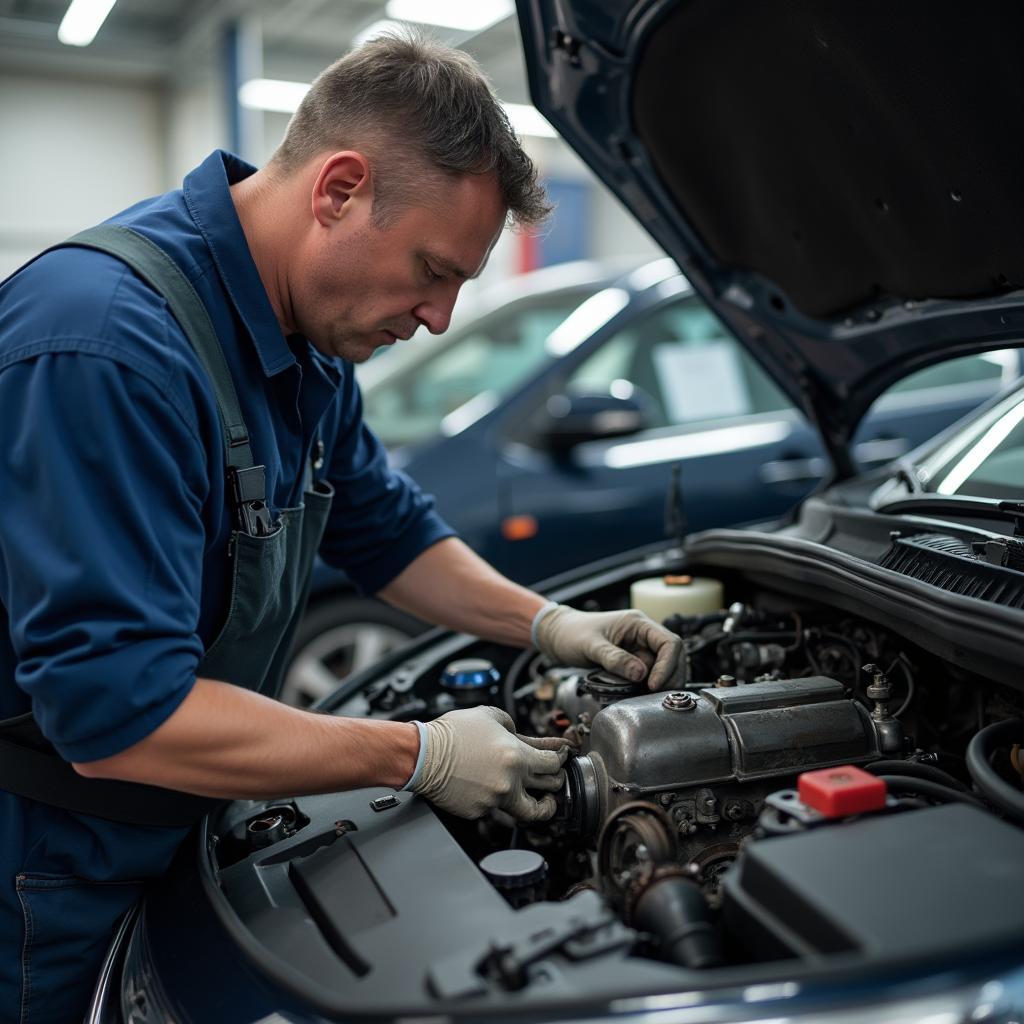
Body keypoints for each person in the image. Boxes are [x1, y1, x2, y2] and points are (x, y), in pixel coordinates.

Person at [0, 32, 683, 1022]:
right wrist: (417, 753)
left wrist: (547, 624)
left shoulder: (302, 339)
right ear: (340, 189)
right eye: (432, 271)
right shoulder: (105, 349)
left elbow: (384, 528)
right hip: (50, 875)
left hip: (182, 828)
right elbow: (118, 714)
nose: (442, 318)